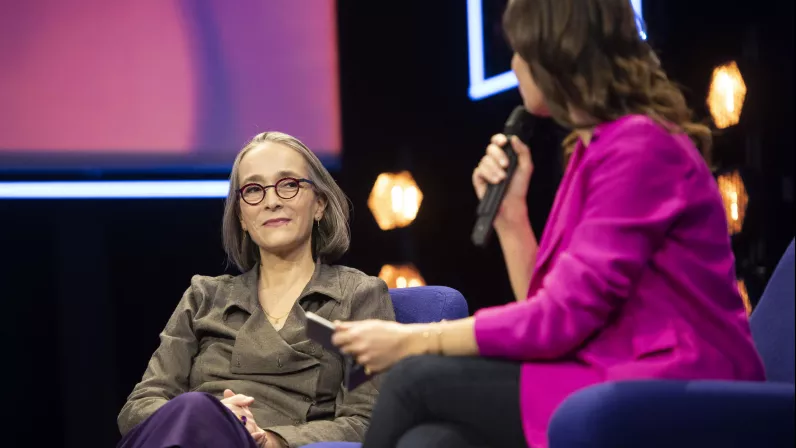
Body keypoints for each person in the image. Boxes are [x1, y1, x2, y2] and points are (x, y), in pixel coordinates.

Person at [330, 1, 766, 447]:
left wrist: (412, 341)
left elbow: (558, 320)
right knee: (434, 440)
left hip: (677, 378)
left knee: (414, 378)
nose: (515, 65)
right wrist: (511, 217)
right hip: (608, 368)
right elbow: (548, 312)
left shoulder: (641, 147)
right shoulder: (590, 152)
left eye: (520, 51)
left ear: (555, 54)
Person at [117, 132, 395, 448]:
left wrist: (273, 440)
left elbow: (368, 421)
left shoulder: (359, 296)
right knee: (196, 408)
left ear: (319, 204)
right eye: (253, 190)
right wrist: (215, 416)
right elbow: (138, 406)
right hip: (187, 433)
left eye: (289, 184)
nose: (271, 201)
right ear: (242, 218)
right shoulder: (204, 297)